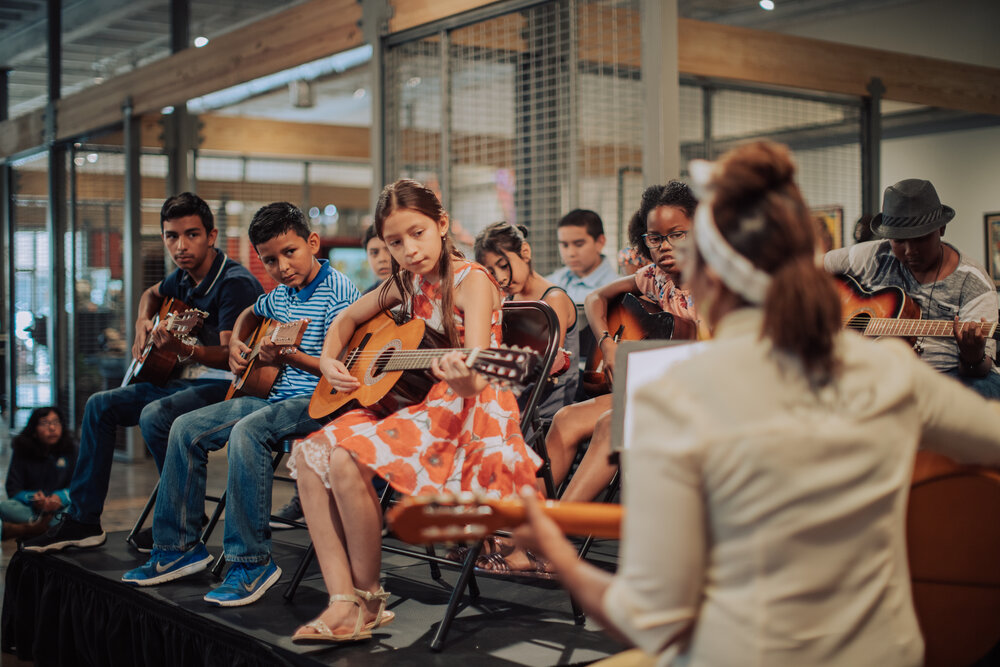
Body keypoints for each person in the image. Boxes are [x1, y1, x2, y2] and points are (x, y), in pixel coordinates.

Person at [515, 140, 1000, 667]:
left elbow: (648, 617)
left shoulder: (677, 397)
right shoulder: (887, 369)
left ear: (707, 274)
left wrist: (556, 549)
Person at [286, 178, 542, 643]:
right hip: (422, 400)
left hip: (474, 407)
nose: (408, 250)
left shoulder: (473, 281)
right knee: (309, 457)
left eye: (417, 233)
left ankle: (364, 600)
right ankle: (346, 601)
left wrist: (461, 373)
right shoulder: (406, 282)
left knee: (346, 457)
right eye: (395, 242)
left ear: (442, 225)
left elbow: (480, 371)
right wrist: (328, 359)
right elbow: (346, 320)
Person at [121, 202, 359, 608]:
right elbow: (251, 311)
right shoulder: (282, 293)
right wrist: (237, 343)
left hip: (322, 401)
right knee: (185, 427)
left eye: (290, 253)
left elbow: (339, 372)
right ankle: (178, 548)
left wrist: (287, 357)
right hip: (276, 399)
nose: (282, 267)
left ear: (312, 243)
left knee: (250, 431)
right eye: (270, 260)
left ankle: (251, 563)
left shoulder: (340, 294)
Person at [477, 182, 701, 577]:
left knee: (609, 423)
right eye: (654, 237)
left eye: (676, 235)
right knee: (565, 419)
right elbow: (597, 299)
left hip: (712, 397)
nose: (664, 246)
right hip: (665, 387)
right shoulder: (656, 277)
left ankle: (547, 543)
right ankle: (519, 533)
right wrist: (607, 345)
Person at [23, 193, 263, 553]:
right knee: (100, 405)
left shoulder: (234, 283)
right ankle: (84, 521)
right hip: (187, 382)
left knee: (156, 416)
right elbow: (151, 294)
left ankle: (182, 520)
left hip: (229, 388)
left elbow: (231, 358)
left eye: (191, 235)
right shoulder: (182, 279)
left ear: (211, 236)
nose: (180, 245)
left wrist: (183, 350)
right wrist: (141, 323)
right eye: (171, 236)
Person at [825, 178, 1000, 398]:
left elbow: (979, 369)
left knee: (985, 390)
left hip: (947, 375)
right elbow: (808, 268)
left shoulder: (974, 283)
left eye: (921, 239)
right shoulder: (874, 255)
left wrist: (972, 355)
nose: (909, 251)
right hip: (874, 373)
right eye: (899, 241)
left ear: (942, 228)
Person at [272, 223, 394, 530]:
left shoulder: (344, 290)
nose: (382, 257)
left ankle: (374, 503)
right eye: (373, 251)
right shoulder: (370, 297)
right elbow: (351, 349)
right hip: (362, 387)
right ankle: (330, 502)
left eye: (388, 247)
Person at [474, 221, 579, 421]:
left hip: (547, 408)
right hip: (515, 399)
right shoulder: (508, 300)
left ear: (525, 252)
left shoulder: (554, 298)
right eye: (492, 272)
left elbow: (551, 364)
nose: (501, 278)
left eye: (504, 265)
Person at [1, 407, 77, 541]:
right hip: (32, 509)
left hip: (61, 507)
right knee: (5, 507)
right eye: (45, 423)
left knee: (75, 510)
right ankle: (50, 527)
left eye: (56, 422)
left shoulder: (71, 449)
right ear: (34, 429)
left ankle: (38, 527)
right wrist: (33, 499)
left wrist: (60, 498)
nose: (52, 428)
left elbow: (79, 486)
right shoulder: (22, 450)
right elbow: (13, 489)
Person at [545, 209, 618, 303]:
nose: (571, 253)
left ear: (600, 242)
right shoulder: (550, 284)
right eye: (565, 245)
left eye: (579, 244)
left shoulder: (616, 290)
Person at [361, 223, 393, 294]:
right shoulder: (364, 298)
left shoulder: (419, 289)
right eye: (374, 253)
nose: (382, 259)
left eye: (389, 250)